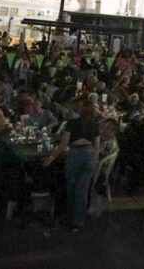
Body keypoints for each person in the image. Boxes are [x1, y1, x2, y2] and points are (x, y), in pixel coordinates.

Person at [44, 98, 100, 230]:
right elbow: (97, 146)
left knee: (71, 187)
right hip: (89, 154)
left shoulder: (72, 123)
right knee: (83, 189)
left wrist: (51, 157)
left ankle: (71, 218)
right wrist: (95, 160)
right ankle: (79, 220)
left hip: (75, 154)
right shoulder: (95, 124)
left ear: (80, 110)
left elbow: (63, 145)